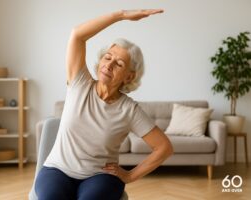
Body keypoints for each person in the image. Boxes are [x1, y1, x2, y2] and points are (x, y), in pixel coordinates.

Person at [35, 9, 173, 200]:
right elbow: (77, 35)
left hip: (99, 177)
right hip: (57, 170)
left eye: (119, 64)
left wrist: (130, 175)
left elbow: (164, 147)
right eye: (107, 57)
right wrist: (121, 16)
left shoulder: (129, 110)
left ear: (129, 76)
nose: (109, 65)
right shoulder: (79, 83)